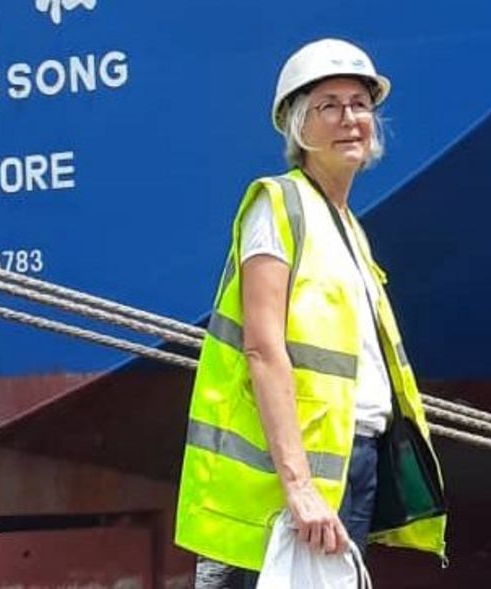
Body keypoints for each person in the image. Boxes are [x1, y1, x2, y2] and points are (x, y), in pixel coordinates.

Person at [175, 38, 447, 588]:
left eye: (360, 104)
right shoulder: (276, 205)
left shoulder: (347, 225)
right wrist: (298, 484)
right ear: (299, 126)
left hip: (354, 459)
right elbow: (262, 346)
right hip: (303, 471)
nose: (350, 119)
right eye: (329, 106)